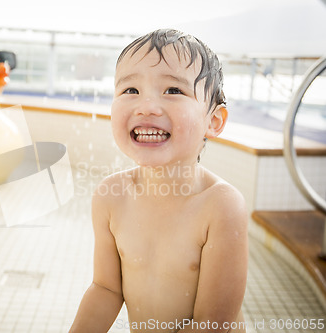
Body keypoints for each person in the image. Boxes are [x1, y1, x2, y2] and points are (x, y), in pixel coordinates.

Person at [69, 29, 248, 333]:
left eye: (173, 91)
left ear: (213, 121)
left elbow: (212, 324)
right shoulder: (110, 196)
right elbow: (106, 290)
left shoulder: (220, 206)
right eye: (130, 91)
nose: (147, 106)